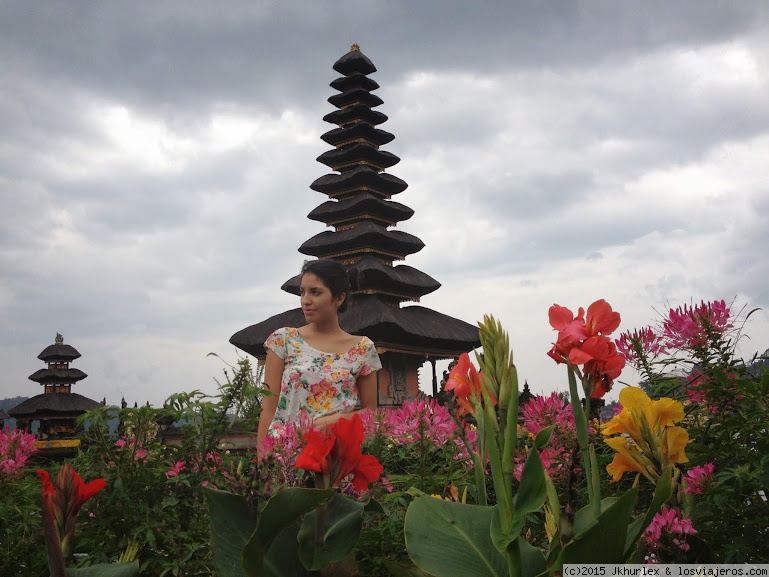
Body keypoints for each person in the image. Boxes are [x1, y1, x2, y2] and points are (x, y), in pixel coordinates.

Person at [256, 259, 382, 449]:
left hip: (337, 455)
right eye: (302, 292)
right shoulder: (283, 340)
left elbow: (371, 413)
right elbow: (268, 409)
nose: (306, 300)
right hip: (286, 455)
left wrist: (339, 419)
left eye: (315, 292)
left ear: (339, 298)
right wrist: (262, 463)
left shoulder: (362, 349)